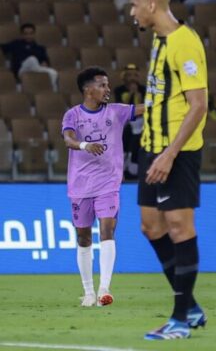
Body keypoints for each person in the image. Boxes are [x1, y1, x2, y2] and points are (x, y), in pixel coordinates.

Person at [129, 0, 208, 340]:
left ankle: (180, 320)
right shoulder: (158, 41)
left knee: (179, 227)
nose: (132, 12)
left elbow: (198, 105)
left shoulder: (184, 42)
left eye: (134, 6)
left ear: (151, 6)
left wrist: (170, 153)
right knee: (151, 226)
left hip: (177, 151)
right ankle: (190, 306)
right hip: (152, 146)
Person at [61, 66, 144, 308]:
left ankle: (104, 290)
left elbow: (144, 108)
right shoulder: (73, 115)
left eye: (107, 85)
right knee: (84, 237)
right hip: (80, 185)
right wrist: (85, 145)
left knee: (107, 230)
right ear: (88, 89)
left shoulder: (116, 111)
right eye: (102, 85)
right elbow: (68, 139)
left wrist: (165, 98)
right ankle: (88, 292)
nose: (108, 89)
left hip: (108, 183)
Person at [0, 23, 58, 88]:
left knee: (53, 72)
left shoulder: (40, 48)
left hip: (36, 70)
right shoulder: (15, 44)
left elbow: (45, 60)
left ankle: (48, 89)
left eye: (31, 33)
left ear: (34, 34)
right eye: (26, 34)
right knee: (32, 59)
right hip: (21, 71)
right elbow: (2, 47)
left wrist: (45, 63)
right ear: (22, 35)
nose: (28, 36)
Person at [114, 63, 146, 179]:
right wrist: (131, 94)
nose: (132, 78)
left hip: (140, 121)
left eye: (135, 75)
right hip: (125, 120)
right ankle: (121, 167)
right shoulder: (119, 90)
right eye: (129, 75)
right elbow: (121, 108)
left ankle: (134, 167)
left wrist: (137, 94)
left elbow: (145, 108)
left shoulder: (144, 90)